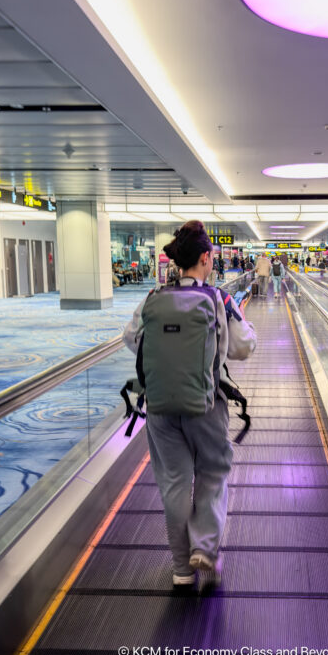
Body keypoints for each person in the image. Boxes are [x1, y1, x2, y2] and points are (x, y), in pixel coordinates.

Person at [124, 221, 256, 588]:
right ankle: (205, 549)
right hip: (206, 405)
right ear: (205, 258)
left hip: (161, 408)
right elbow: (243, 346)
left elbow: (132, 338)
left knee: (174, 484)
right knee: (212, 474)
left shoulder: (152, 298)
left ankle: (181, 569)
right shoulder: (218, 299)